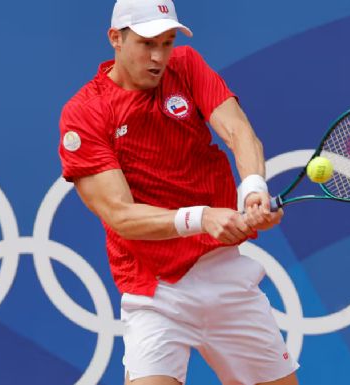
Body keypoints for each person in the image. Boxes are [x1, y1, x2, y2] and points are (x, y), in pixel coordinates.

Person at [58, 0, 299, 384]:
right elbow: (120, 215)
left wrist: (253, 189)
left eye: (167, 42)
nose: (158, 57)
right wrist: (202, 217)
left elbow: (239, 132)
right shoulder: (85, 112)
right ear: (115, 39)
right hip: (155, 292)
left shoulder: (185, 66)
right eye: (147, 43)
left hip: (226, 277)